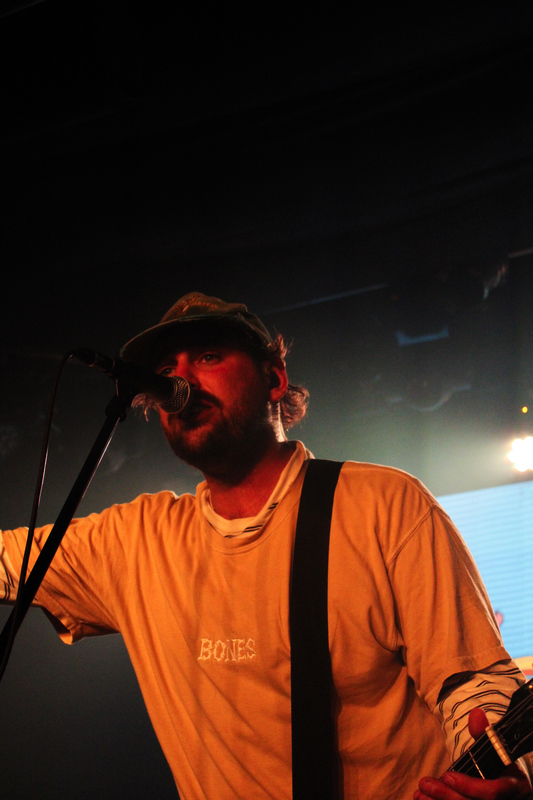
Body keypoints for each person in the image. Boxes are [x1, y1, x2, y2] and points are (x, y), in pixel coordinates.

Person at [0, 291, 531, 800]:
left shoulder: (384, 505)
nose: (179, 380)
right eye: (164, 369)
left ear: (274, 379)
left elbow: (473, 679)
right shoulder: (134, 542)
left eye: (208, 356)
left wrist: (504, 772)